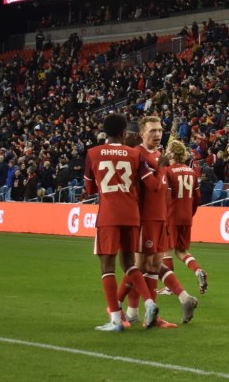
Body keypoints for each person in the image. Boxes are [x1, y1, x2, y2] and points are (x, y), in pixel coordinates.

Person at [120, 116, 198, 328]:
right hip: (143, 218)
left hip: (161, 217)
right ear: (141, 134)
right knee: (139, 265)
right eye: (152, 130)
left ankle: (147, 316)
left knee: (153, 265)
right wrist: (158, 166)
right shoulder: (137, 154)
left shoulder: (158, 155)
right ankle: (123, 310)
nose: (157, 134)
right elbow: (146, 186)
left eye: (159, 130)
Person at [84, 113, 158, 332]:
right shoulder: (135, 155)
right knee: (129, 264)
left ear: (104, 132)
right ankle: (149, 301)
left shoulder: (93, 153)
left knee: (107, 266)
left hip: (109, 215)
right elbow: (152, 184)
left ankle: (116, 320)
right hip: (132, 214)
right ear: (125, 132)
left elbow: (89, 189)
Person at [164, 138, 208, 297]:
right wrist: (190, 213)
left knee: (166, 251)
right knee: (181, 251)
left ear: (171, 153)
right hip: (186, 217)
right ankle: (198, 270)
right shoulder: (192, 172)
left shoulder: (168, 171)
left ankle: (169, 287)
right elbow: (197, 197)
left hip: (171, 216)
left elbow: (166, 196)